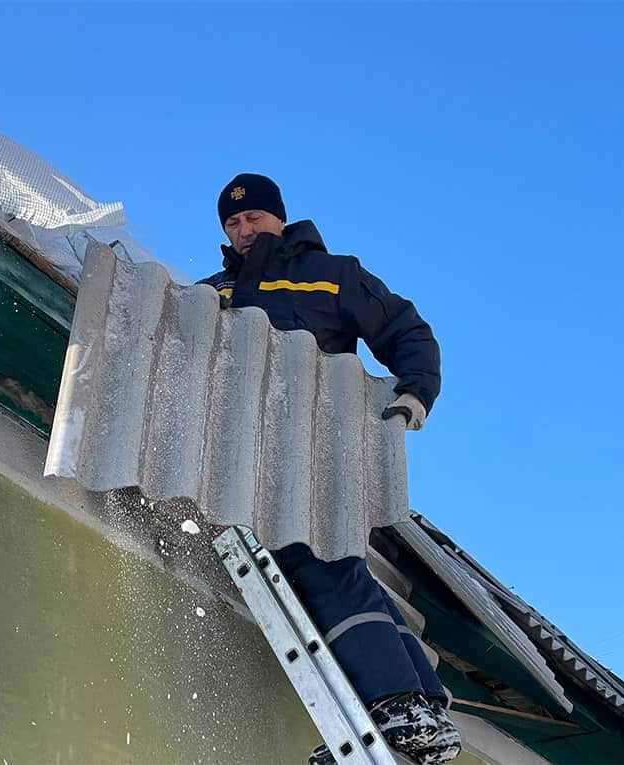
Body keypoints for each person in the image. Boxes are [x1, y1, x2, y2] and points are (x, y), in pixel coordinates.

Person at [200, 173, 460, 765]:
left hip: (315, 450)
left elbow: (404, 327)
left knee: (319, 562)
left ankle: (396, 703)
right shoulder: (215, 290)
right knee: (340, 569)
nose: (244, 230)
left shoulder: (330, 273)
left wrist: (416, 392)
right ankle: (419, 705)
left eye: (253, 218)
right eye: (233, 223)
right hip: (248, 457)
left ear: (279, 217)